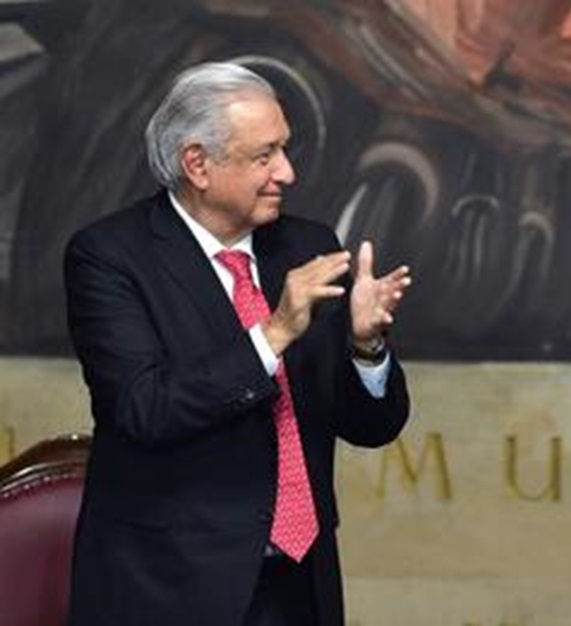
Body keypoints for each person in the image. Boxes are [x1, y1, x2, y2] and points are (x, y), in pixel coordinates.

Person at [63, 62, 412, 626]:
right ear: (197, 164)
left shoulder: (308, 247)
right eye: (264, 155)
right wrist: (275, 333)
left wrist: (366, 346)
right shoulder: (109, 257)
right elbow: (144, 408)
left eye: (285, 149)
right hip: (170, 587)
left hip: (301, 583)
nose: (287, 172)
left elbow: (372, 427)